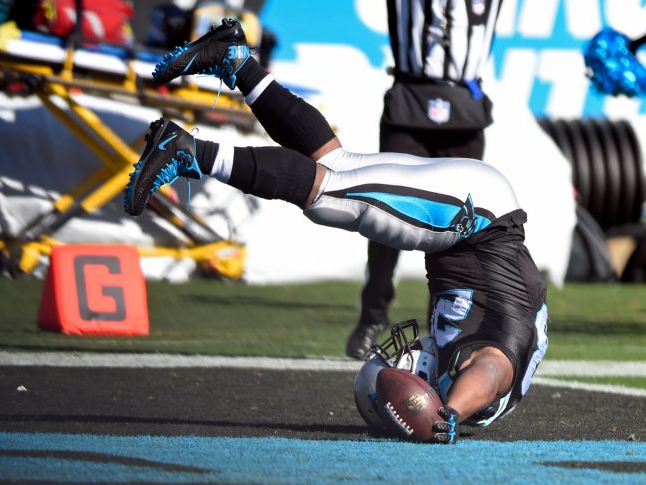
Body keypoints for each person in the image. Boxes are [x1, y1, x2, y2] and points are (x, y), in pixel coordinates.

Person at [125, 19, 548, 444]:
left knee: (337, 164)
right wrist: (451, 413)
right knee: (333, 199)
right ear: (422, 393)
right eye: (397, 369)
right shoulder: (484, 379)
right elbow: (492, 373)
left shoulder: (458, 371)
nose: (397, 355)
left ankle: (234, 60)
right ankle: (189, 152)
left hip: (477, 206)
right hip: (477, 217)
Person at [347, 0, 503, 360]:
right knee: (386, 212)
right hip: (409, 102)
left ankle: (445, 322)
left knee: (460, 224)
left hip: (465, 106)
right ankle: (372, 315)